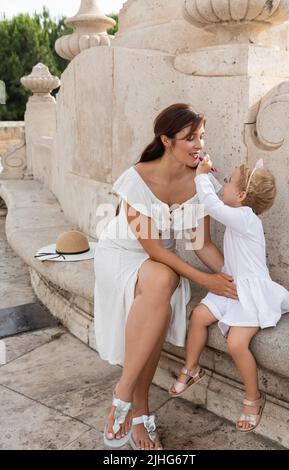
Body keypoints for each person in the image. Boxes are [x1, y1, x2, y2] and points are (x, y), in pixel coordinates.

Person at [94, 103, 238, 450]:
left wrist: (239, 277)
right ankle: (134, 405)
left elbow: (202, 245)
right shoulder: (138, 177)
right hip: (121, 255)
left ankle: (126, 400)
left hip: (159, 267)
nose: (198, 145)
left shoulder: (199, 181)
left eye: (201, 136)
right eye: (189, 138)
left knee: (162, 282)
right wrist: (206, 282)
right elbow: (155, 249)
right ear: (166, 140)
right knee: (164, 279)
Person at [169, 156, 289, 433]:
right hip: (231, 284)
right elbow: (213, 213)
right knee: (199, 316)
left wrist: (201, 175)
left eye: (228, 182)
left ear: (241, 196)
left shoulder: (246, 218)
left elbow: (211, 205)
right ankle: (192, 368)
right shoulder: (239, 215)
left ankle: (253, 397)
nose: (223, 184)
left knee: (237, 343)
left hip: (251, 292)